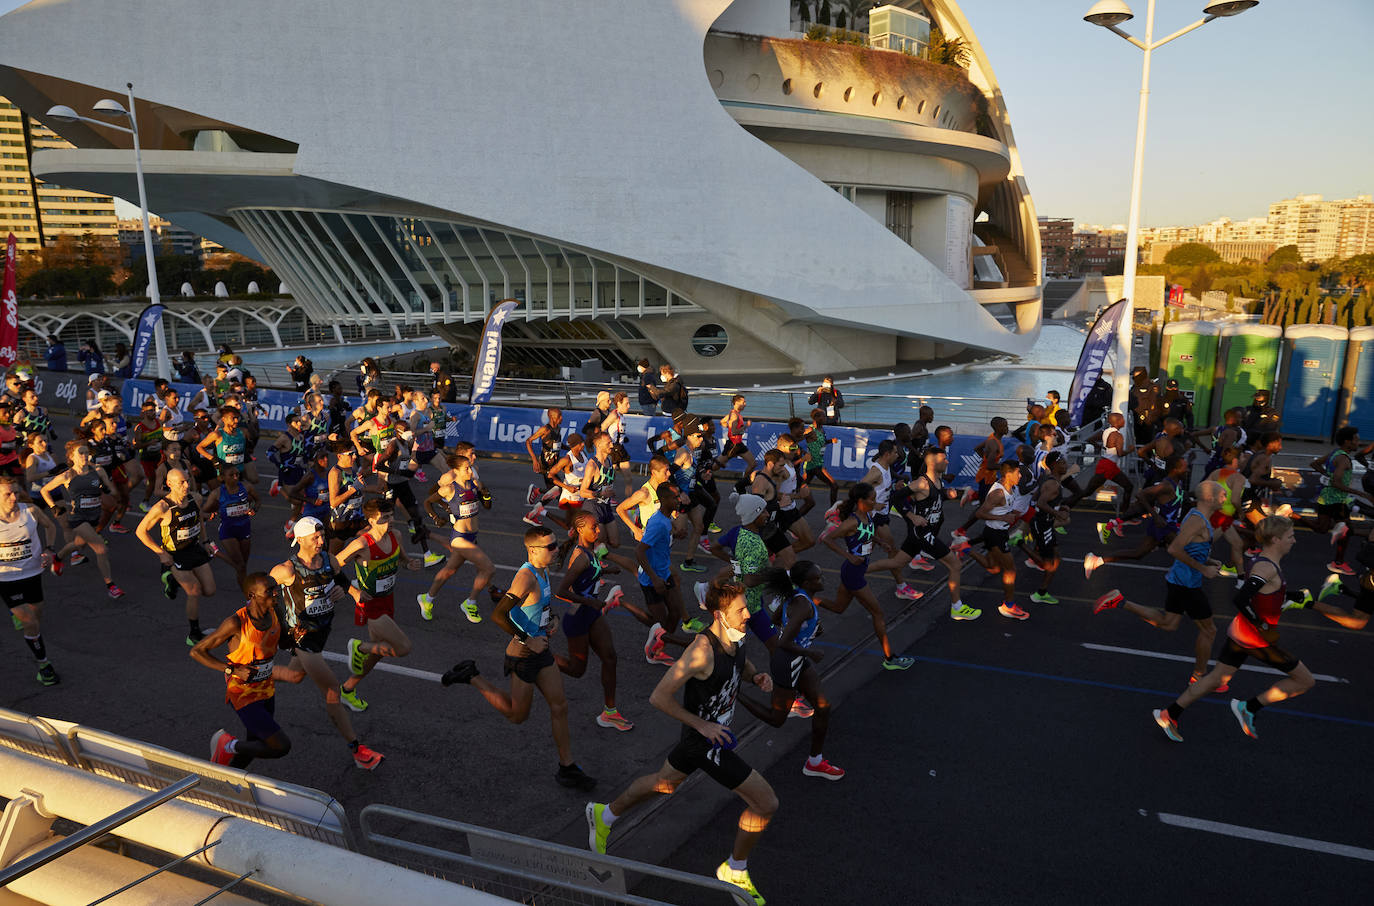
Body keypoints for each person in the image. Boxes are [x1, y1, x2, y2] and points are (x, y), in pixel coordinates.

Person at [585, 577, 777, 906]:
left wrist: (755, 676)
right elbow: (659, 697)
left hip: (705, 738)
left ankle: (604, 815)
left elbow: (741, 665)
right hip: (706, 742)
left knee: (664, 783)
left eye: (746, 607)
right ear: (720, 615)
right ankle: (735, 869)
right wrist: (702, 726)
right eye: (741, 609)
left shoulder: (737, 635)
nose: (747, 614)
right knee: (765, 803)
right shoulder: (701, 652)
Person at [440, 525, 598, 791]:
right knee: (517, 716)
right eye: (550, 547)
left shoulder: (543, 570)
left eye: (556, 544)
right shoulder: (526, 577)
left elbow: (537, 607)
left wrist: (551, 621)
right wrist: (529, 639)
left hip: (541, 650)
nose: (556, 549)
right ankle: (472, 676)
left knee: (560, 707)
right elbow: (499, 615)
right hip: (523, 654)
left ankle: (567, 767)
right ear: (533, 550)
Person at [1152, 516, 1314, 743]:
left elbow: (1262, 594)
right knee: (1305, 680)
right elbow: (1241, 598)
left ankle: (1169, 714)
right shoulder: (1267, 567)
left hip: (1240, 633)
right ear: (1276, 539)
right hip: (1255, 639)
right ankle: (1249, 707)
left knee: (1216, 678)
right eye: (1290, 536)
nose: (1294, 540)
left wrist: (1289, 595)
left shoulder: (1263, 562)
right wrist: (1263, 625)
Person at [270, 517, 385, 770]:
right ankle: (357, 750)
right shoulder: (287, 571)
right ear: (299, 540)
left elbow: (341, 581)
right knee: (333, 691)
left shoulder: (329, 561)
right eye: (315, 538)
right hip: (303, 638)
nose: (321, 542)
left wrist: (348, 593)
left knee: (293, 675)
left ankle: (251, 675)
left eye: (323, 536)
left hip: (322, 631)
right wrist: (278, 629)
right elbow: (259, 596)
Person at [1093, 481, 1227, 685]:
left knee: (1169, 623)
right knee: (1209, 630)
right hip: (1186, 583)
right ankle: (1199, 677)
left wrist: (1210, 561)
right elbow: (1174, 549)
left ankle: (1120, 601)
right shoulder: (1197, 520)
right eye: (1223, 495)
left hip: (1181, 580)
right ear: (1210, 498)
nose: (1226, 499)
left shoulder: (1198, 518)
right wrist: (1203, 569)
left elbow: (1190, 548)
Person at [742, 562, 846, 780]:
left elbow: (776, 620)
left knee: (823, 706)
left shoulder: (796, 595)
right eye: (818, 578)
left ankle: (814, 762)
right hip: (788, 662)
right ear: (807, 583)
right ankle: (736, 694)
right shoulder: (803, 605)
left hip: (796, 658)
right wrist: (811, 652)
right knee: (777, 719)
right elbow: (783, 642)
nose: (823, 579)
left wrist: (809, 633)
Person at [194, 573, 306, 767]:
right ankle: (228, 745)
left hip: (266, 688)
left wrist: (294, 637)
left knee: (256, 744)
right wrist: (232, 670)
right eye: (269, 591)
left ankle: (228, 780)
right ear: (252, 595)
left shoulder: (275, 611)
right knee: (280, 746)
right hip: (243, 693)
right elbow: (197, 651)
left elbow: (283, 642)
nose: (275, 594)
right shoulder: (236, 623)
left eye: (275, 589)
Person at [871, 446, 979, 621]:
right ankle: (957, 607)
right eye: (944, 459)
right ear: (932, 462)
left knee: (897, 562)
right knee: (955, 565)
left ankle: (860, 570)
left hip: (921, 534)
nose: (947, 461)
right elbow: (895, 497)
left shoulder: (938, 480)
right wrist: (911, 515)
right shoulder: (922, 482)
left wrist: (946, 494)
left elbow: (931, 500)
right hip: (923, 534)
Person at [335, 499, 423, 712]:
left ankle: (347, 690)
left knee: (377, 655)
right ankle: (359, 647)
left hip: (388, 599)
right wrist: (353, 591)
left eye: (392, 516)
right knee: (403, 647)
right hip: (370, 603)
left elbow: (402, 559)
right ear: (372, 520)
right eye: (385, 518)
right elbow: (332, 565)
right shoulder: (362, 544)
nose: (390, 521)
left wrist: (409, 564)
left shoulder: (396, 536)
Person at [554, 511, 639, 731]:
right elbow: (561, 591)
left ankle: (609, 713)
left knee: (610, 658)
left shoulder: (590, 552)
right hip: (578, 616)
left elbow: (591, 572)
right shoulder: (581, 556)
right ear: (581, 529)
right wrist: (590, 602)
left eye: (598, 527)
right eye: (594, 528)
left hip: (590, 613)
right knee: (576, 669)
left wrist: (607, 569)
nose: (598, 531)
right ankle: (536, 657)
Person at [818, 483, 916, 667]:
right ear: (861, 501)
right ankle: (890, 658)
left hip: (856, 570)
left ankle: (808, 598)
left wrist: (880, 542)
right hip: (853, 572)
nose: (874, 501)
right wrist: (849, 556)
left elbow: (866, 533)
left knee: (839, 608)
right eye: (871, 498)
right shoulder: (852, 521)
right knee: (878, 612)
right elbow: (828, 539)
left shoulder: (867, 516)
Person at [137, 467, 216, 644]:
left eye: (188, 480)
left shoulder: (195, 498)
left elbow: (200, 520)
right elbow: (141, 531)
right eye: (182, 482)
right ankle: (193, 634)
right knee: (194, 591)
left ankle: (172, 580)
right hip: (175, 555)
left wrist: (205, 542)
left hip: (194, 549)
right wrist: (160, 553)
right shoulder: (162, 507)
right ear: (170, 484)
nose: (186, 485)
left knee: (210, 590)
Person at [42, 440, 123, 599]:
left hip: (94, 515)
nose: (85, 456)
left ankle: (57, 557)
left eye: (87, 452)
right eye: (81, 453)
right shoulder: (67, 475)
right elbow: (45, 490)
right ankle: (111, 586)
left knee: (78, 544)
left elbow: (111, 489)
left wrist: (109, 490)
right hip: (77, 517)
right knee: (101, 548)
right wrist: (54, 507)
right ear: (72, 456)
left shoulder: (98, 470)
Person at [0, 476, 61, 686]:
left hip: (33, 573)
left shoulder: (30, 511)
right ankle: (44, 665)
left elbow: (50, 527)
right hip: (6, 579)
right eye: (7, 493)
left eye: (16, 492)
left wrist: (49, 549)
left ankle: (23, 621)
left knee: (36, 616)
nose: (13, 497)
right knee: (30, 622)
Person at [419, 450, 492, 623]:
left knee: (449, 570)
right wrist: (436, 517)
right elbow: (428, 501)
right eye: (466, 468)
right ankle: (470, 602)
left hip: (473, 536)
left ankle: (427, 599)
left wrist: (486, 494)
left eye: (470, 468)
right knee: (489, 568)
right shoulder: (449, 489)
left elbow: (488, 506)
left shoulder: (476, 484)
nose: (470, 471)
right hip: (459, 537)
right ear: (456, 471)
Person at [1294, 426, 1372, 575]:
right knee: (1345, 530)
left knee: (1322, 528)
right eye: (1356, 440)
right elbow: (1336, 482)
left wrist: (1327, 475)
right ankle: (1339, 562)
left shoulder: (1334, 453)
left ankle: (1291, 514)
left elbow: (1315, 464)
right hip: (1337, 500)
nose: (1358, 442)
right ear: (1348, 442)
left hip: (1326, 497)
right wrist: (1359, 493)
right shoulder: (1344, 459)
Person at [964, 461, 1029, 620]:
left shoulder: (1011, 488)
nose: (1020, 476)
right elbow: (979, 513)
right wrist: (1003, 517)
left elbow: (1005, 509)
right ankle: (1008, 606)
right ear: (1008, 474)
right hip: (995, 534)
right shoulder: (998, 493)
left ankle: (964, 549)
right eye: (1017, 473)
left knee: (992, 567)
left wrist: (1012, 515)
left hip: (998, 533)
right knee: (1010, 569)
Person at [1065, 412, 1133, 513]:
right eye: (1122, 419)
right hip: (1108, 466)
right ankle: (1064, 505)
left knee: (1128, 486)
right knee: (1087, 492)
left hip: (1107, 464)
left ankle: (1125, 513)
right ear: (1118, 421)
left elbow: (1090, 439)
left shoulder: (1105, 431)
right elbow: (1120, 453)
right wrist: (1130, 450)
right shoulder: (1118, 435)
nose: (1124, 421)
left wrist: (1101, 447)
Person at [202, 463, 257, 586]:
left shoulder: (246, 487)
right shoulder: (217, 493)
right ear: (222, 478)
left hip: (245, 528)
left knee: (243, 566)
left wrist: (254, 509)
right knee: (240, 565)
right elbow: (203, 511)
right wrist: (210, 514)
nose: (235, 477)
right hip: (228, 531)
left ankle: (245, 593)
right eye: (231, 475)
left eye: (237, 474)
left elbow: (257, 500)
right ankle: (217, 553)